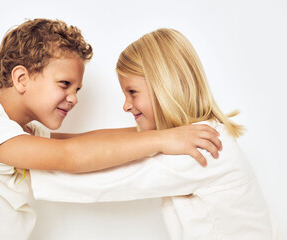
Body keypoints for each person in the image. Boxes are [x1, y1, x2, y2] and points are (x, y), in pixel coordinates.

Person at [0, 19, 222, 240]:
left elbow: (86, 141)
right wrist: (161, 139)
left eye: (77, 89)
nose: (74, 97)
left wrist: (166, 132)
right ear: (22, 78)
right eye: (64, 84)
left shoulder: (23, 132)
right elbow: (69, 156)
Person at [30, 29, 281, 239]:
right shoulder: (187, 135)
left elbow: (108, 179)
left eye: (132, 92)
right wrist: (38, 138)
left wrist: (16, 160)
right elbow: (110, 142)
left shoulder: (204, 146)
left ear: (165, 86)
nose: (126, 105)